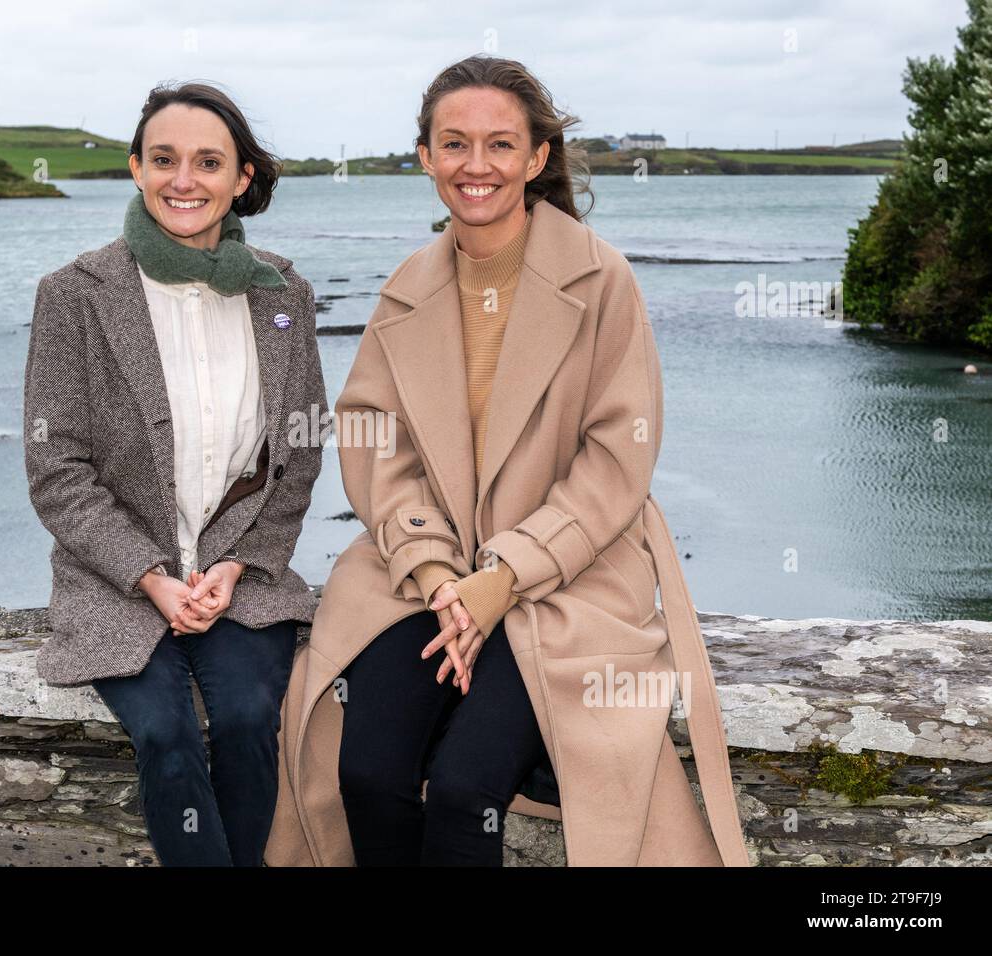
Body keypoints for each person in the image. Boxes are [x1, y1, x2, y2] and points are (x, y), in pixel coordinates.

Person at [265, 55, 749, 868]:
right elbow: (373, 440)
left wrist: (504, 577)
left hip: (572, 576)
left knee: (463, 787)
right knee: (368, 772)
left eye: (500, 145)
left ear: (535, 158)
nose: (475, 165)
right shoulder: (405, 289)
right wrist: (434, 571)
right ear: (425, 157)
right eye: (454, 144)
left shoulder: (604, 282)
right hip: (427, 576)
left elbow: (614, 461)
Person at [22, 81, 326, 866]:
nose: (182, 180)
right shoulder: (74, 296)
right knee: (164, 731)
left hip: (241, 577)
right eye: (164, 159)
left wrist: (234, 565)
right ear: (135, 168)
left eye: (207, 162)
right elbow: (57, 467)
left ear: (241, 179)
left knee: (252, 717)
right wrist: (151, 577)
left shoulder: (284, 295)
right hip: (116, 579)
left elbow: (299, 449)